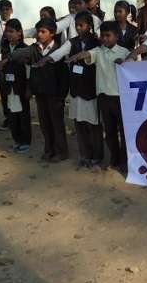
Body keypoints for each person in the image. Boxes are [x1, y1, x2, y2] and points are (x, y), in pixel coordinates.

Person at [66, 20, 131, 173]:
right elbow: (88, 54)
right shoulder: (98, 50)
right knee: (109, 132)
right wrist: (78, 55)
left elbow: (132, 67)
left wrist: (126, 62)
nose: (105, 39)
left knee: (124, 131)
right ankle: (114, 160)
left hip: (121, 99)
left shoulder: (125, 52)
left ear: (116, 36)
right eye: (102, 35)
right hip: (103, 98)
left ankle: (126, 161)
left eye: (108, 36)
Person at [42, 12, 102, 168]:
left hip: (91, 89)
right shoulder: (72, 42)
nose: (78, 28)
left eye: (81, 25)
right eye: (76, 25)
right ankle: (84, 155)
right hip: (76, 89)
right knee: (79, 124)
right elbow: (61, 51)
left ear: (89, 26)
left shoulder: (97, 42)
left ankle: (97, 156)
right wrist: (48, 58)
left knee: (93, 125)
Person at [6, 18, 70, 162]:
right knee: (45, 124)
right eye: (38, 32)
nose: (39, 35)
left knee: (57, 124)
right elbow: (22, 52)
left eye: (43, 32)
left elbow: (64, 77)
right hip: (40, 93)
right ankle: (49, 149)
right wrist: (9, 56)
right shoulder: (35, 49)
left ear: (52, 33)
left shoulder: (59, 50)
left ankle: (61, 151)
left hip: (55, 95)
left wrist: (61, 96)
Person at [0, 19, 32, 153]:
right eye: (7, 32)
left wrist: (28, 87)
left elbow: (28, 70)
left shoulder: (25, 48)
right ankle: (17, 140)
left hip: (20, 87)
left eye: (12, 31)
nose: (9, 34)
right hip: (7, 86)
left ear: (19, 32)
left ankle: (25, 141)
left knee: (23, 115)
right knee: (12, 114)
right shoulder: (4, 47)